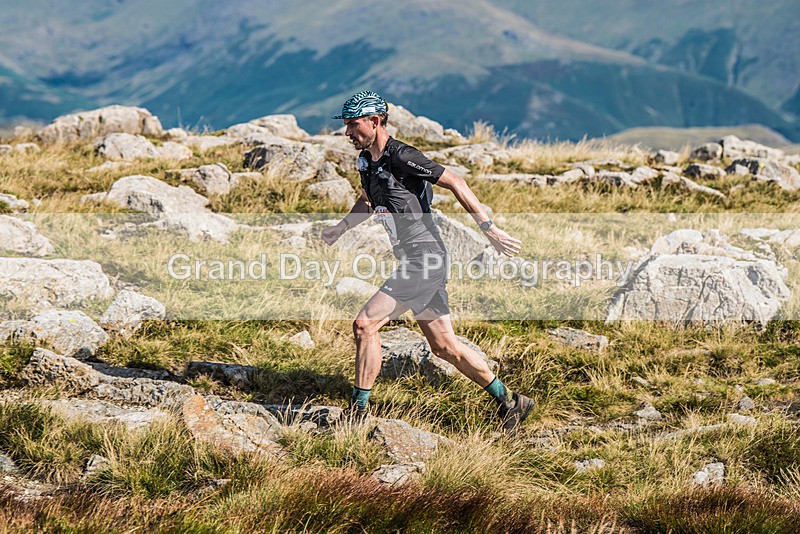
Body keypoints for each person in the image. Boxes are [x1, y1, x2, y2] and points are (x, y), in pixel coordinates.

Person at [322, 90, 533, 433]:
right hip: (414, 259)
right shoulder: (367, 162)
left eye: (352, 124)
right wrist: (341, 228)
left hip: (425, 260)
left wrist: (488, 228)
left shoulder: (402, 155)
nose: (347, 132)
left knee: (365, 325)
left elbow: (455, 182)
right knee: (444, 346)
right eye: (346, 125)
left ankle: (358, 413)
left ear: (375, 122)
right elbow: (367, 200)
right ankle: (511, 401)